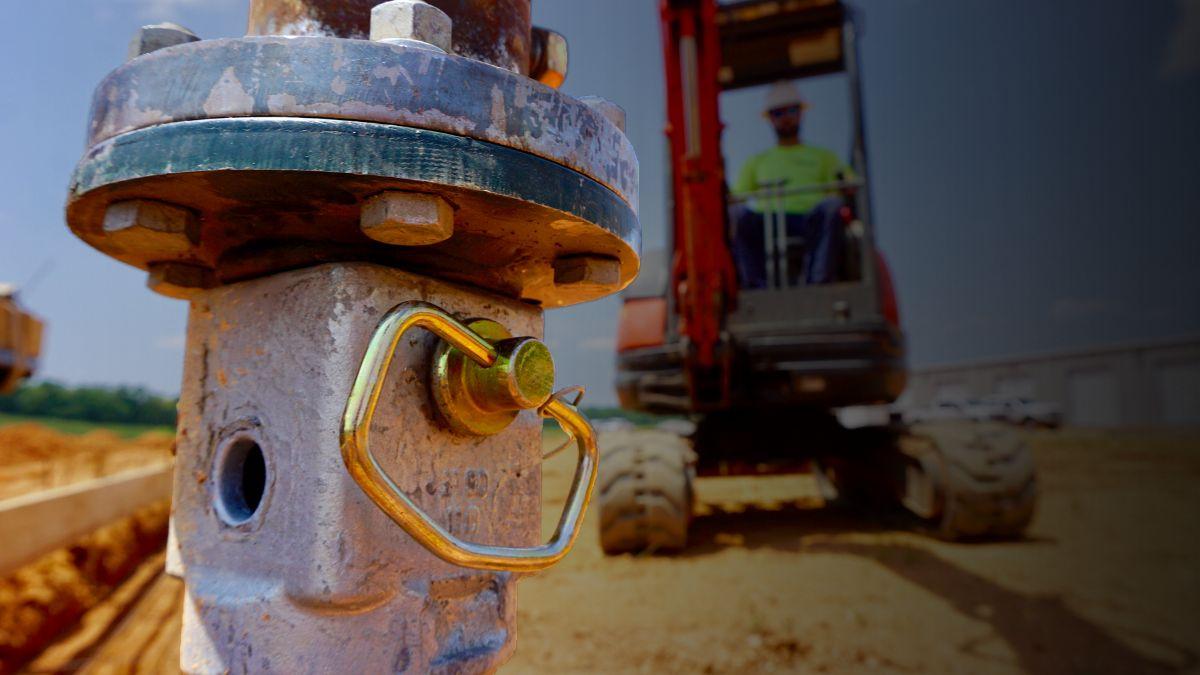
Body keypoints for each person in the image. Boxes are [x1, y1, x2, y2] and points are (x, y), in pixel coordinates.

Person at [731, 81, 854, 288]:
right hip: (769, 222)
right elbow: (735, 198)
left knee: (832, 207)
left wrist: (846, 185)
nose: (786, 117)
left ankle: (817, 283)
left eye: (791, 110)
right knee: (738, 216)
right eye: (779, 113)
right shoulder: (757, 161)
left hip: (809, 220)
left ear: (801, 113)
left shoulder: (824, 157)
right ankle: (756, 287)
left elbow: (849, 183)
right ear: (770, 119)